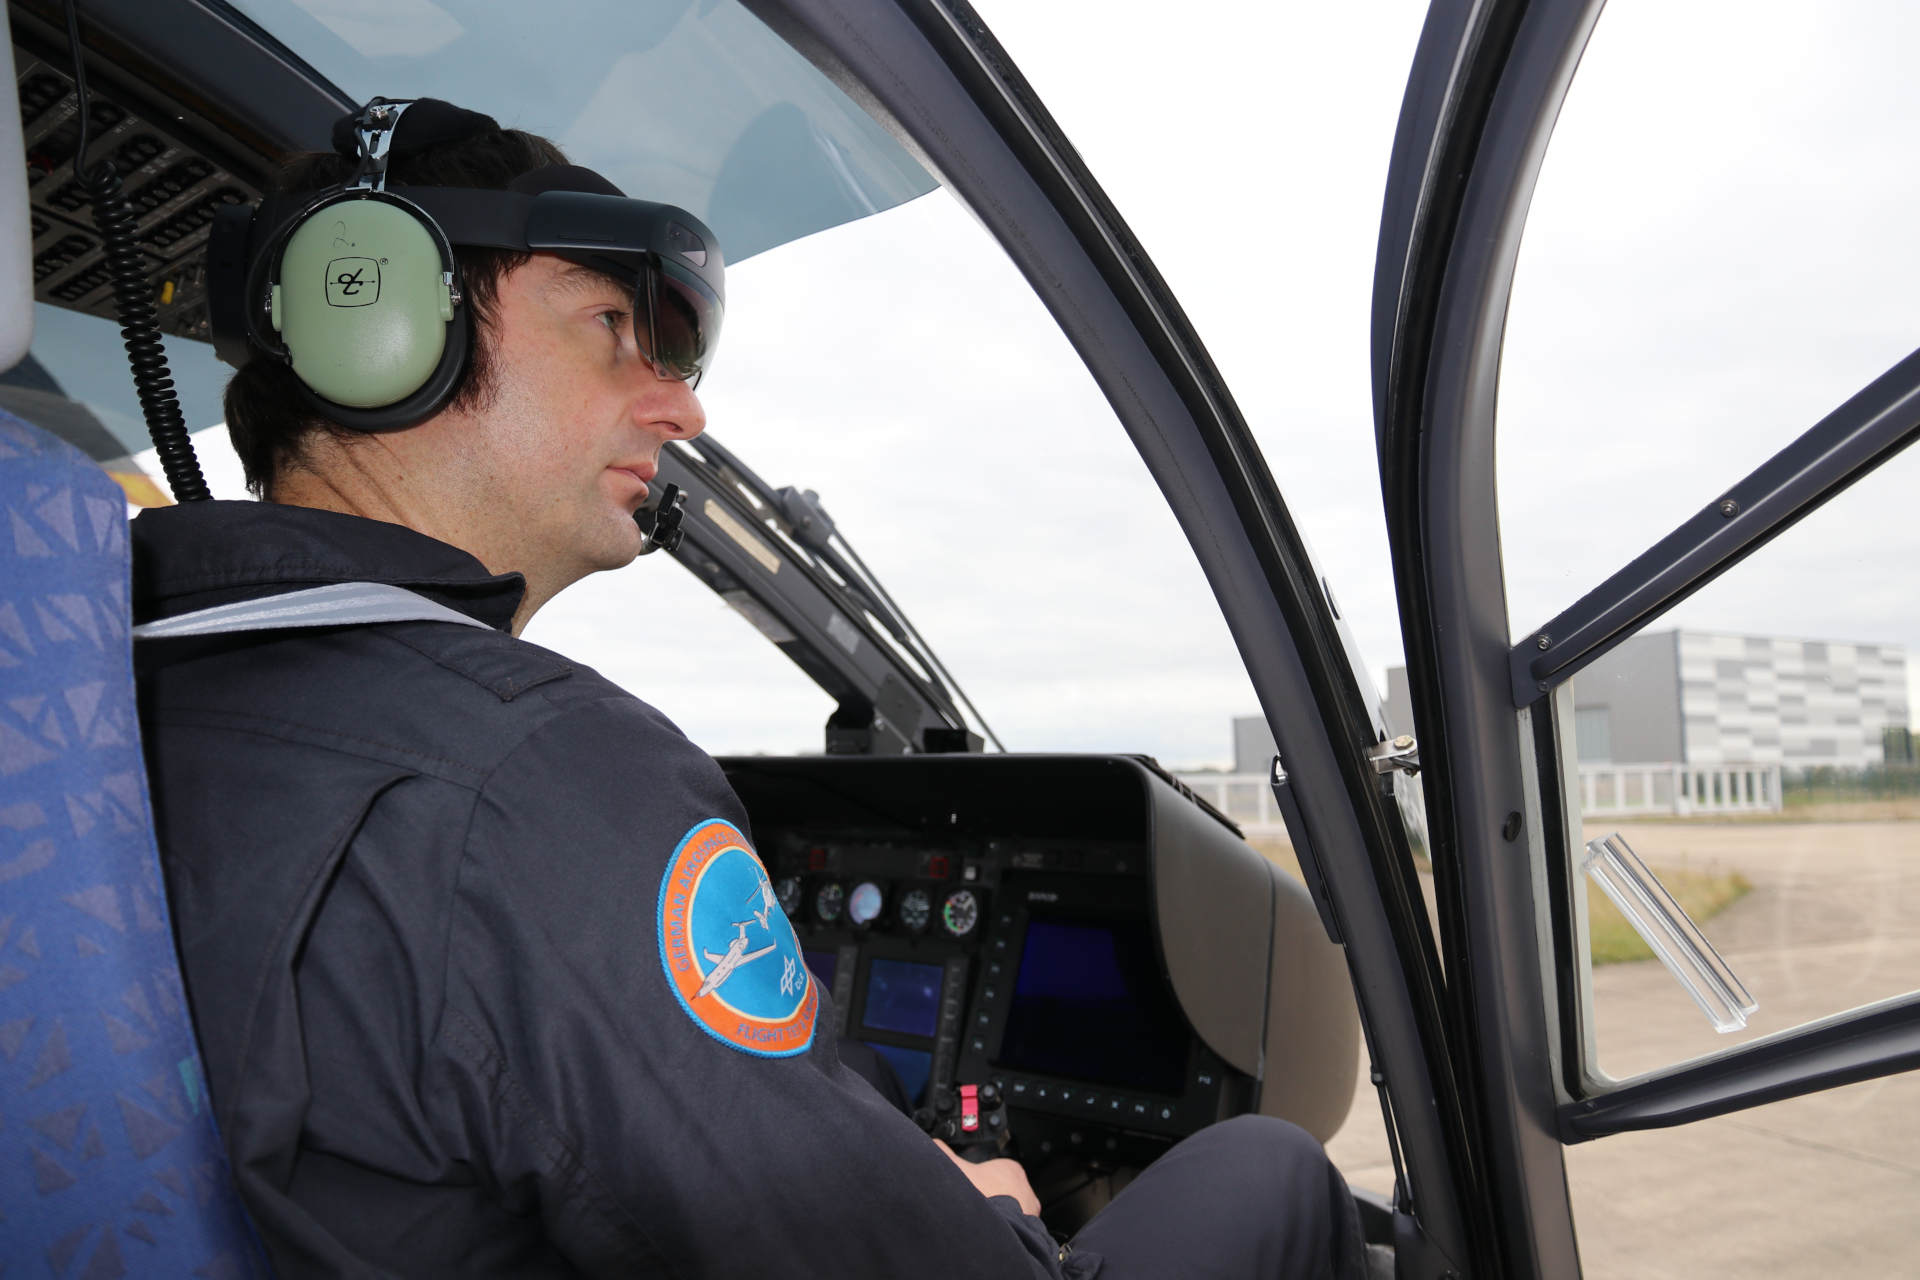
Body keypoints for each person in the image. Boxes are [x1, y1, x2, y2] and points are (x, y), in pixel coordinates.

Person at [133, 100, 1366, 1279]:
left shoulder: (130, 686)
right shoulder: (532, 778)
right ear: (387, 311)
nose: (681, 404)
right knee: (1271, 1171)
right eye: (614, 329)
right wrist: (982, 1214)